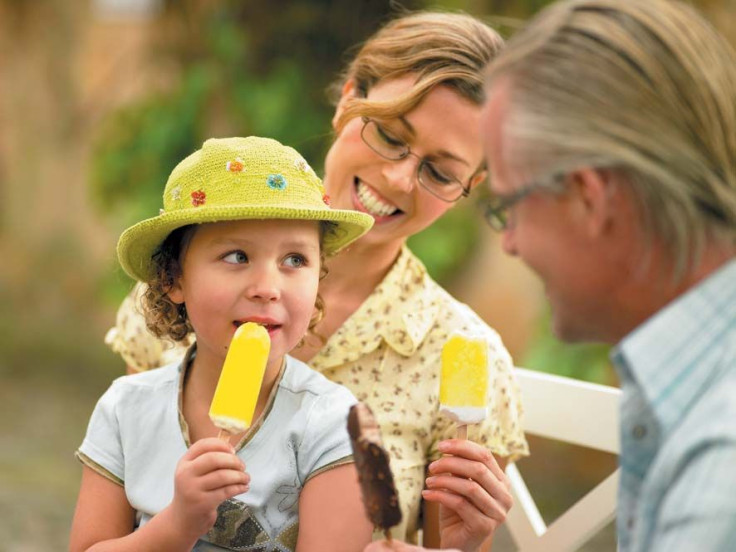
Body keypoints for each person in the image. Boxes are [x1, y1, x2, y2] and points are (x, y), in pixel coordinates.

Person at [104, 11, 529, 550]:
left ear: (472, 183)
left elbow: (447, 544)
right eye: (391, 136)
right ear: (348, 100)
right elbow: (117, 515)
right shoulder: (185, 289)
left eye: (441, 172)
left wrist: (464, 545)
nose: (400, 178)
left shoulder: (463, 354)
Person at [479, 0, 736, 550]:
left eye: (510, 207)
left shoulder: (719, 468)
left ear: (588, 197)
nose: (510, 242)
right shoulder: (689, 376)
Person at [70, 136, 376, 551]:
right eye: (237, 256)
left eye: (295, 260)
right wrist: (177, 524)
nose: (268, 288)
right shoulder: (125, 409)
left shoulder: (335, 424)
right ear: (173, 279)